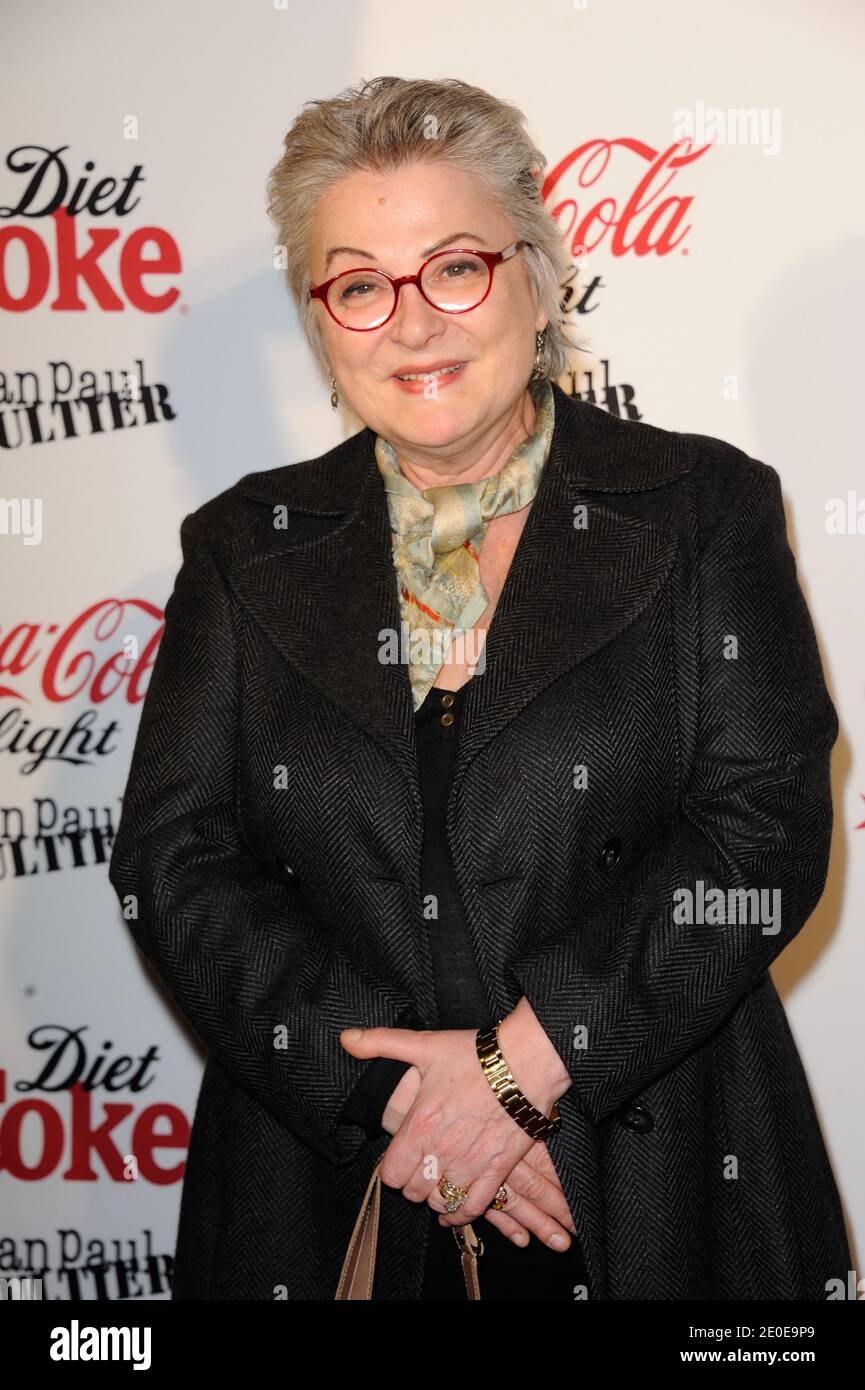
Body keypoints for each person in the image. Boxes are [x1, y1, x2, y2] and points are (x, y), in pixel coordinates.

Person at [108, 75, 851, 1300]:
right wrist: (415, 1107)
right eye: (359, 284)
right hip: (335, 1175)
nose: (411, 324)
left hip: (657, 1177)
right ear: (322, 320)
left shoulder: (702, 507)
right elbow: (172, 863)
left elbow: (762, 831)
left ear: (537, 275)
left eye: (453, 266)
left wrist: (515, 1074)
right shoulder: (245, 545)